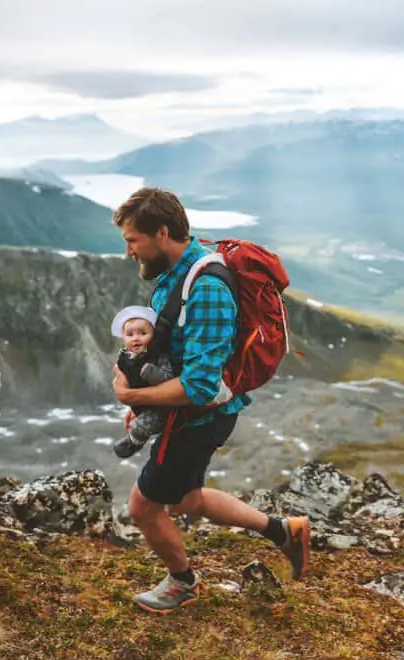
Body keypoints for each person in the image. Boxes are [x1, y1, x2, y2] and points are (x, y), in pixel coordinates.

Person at [110, 186, 310, 614]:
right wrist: (142, 404)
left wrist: (133, 394)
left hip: (195, 418)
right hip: (186, 413)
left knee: (143, 508)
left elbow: (200, 385)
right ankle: (284, 531)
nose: (129, 251)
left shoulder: (206, 290)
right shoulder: (177, 273)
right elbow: (175, 355)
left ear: (162, 232)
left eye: (132, 240)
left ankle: (182, 583)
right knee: (186, 499)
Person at [109, 305, 175, 459]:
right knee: (137, 421)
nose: (136, 338)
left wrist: (151, 373)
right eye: (130, 334)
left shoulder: (157, 356)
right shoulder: (125, 357)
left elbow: (168, 380)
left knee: (141, 425)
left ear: (153, 334)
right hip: (139, 402)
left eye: (143, 333)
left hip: (159, 405)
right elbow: (121, 374)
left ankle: (133, 442)